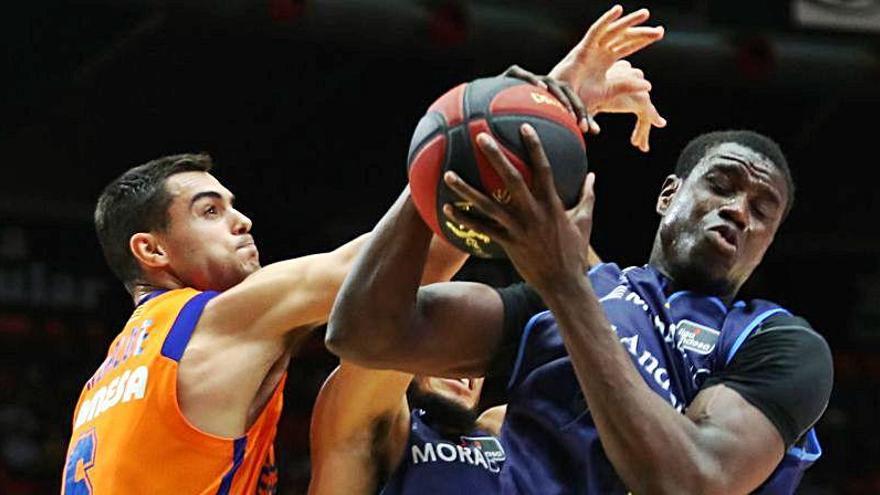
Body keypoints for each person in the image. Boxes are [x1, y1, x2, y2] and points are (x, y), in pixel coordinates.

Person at [326, 124, 834, 493]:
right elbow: (365, 332)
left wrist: (566, 286)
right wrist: (441, 162)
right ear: (668, 195)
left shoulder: (778, 342)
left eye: (762, 210)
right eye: (721, 186)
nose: (739, 210)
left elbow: (693, 480)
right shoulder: (578, 293)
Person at [308, 6, 665, 494]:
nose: (466, 379)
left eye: (470, 368)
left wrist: (551, 116)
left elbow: (612, 335)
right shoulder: (375, 426)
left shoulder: (508, 433)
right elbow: (401, 298)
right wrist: (479, 131)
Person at [60, 154, 469, 494]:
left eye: (231, 206)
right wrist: (460, 155)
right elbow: (399, 269)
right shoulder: (211, 321)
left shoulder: (103, 382)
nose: (241, 221)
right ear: (151, 249)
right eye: (210, 211)